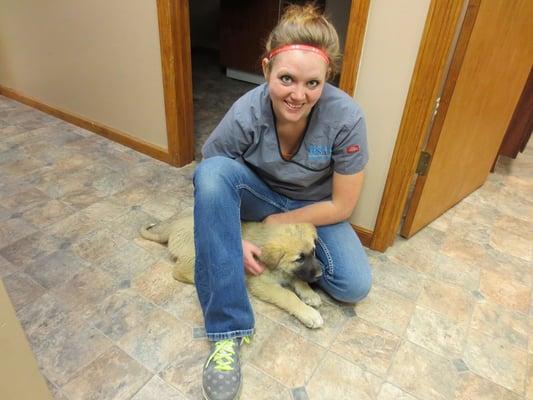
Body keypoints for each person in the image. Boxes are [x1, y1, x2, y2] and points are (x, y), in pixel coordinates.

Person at [193, 4, 371, 400]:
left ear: (328, 80)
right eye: (286, 78)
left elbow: (341, 206)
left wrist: (278, 224)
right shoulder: (246, 111)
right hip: (258, 194)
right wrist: (230, 238)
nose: (297, 94)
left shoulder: (347, 118)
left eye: (312, 84)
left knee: (353, 285)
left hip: (315, 208)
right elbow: (214, 172)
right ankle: (226, 333)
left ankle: (283, 267)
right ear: (266, 69)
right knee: (210, 174)